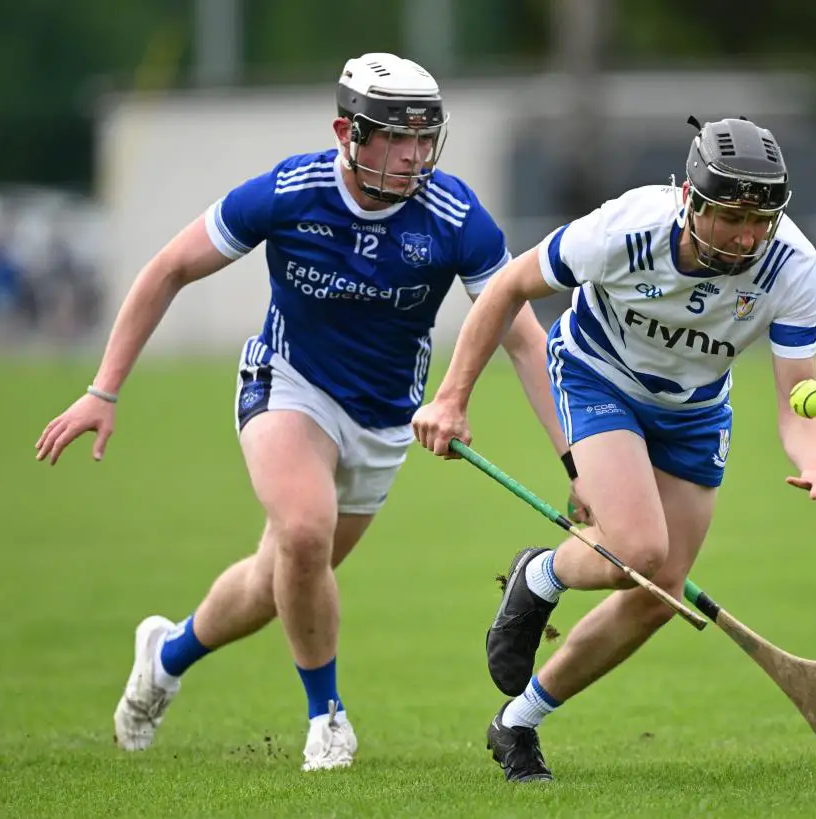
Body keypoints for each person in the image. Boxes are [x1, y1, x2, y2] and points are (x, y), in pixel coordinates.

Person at [34, 52, 584, 772]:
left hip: (383, 420)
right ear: (347, 133)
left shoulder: (454, 216)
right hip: (287, 383)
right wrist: (103, 390)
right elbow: (169, 268)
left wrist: (576, 462)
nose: (414, 155)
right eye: (397, 137)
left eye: (425, 138)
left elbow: (524, 337)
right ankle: (327, 718)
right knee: (302, 529)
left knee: (281, 578)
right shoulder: (290, 193)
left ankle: (166, 654)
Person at [412, 117, 816, 782]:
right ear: (691, 200)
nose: (747, 237)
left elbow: (799, 394)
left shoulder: (789, 265)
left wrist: (814, 452)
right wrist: (451, 397)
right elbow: (508, 287)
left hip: (695, 411)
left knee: (660, 593)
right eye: (732, 217)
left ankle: (517, 721)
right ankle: (541, 576)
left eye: (760, 220)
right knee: (641, 552)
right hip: (598, 377)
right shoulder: (626, 229)